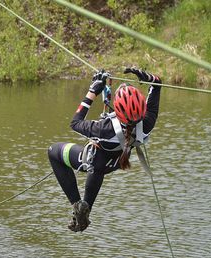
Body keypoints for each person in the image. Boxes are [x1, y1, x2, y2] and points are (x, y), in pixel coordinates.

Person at [48, 67, 162, 232]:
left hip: (96, 163)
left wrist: (92, 92)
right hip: (116, 162)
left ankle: (78, 204)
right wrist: (148, 77)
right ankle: (86, 208)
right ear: (142, 108)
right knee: (99, 166)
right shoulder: (148, 122)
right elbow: (157, 85)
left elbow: (75, 122)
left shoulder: (103, 129)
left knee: (53, 151)